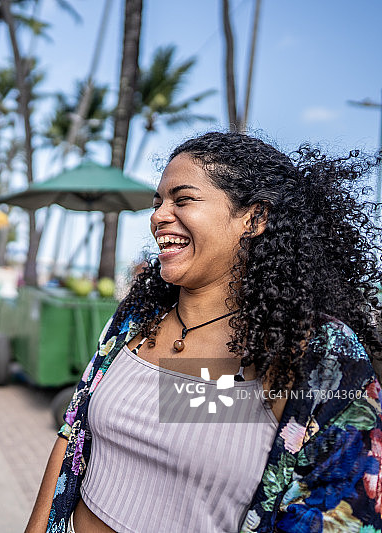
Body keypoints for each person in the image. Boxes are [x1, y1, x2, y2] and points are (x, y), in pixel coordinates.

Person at [26, 131, 382, 533]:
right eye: (158, 202)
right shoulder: (138, 319)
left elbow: (345, 514)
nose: (158, 215)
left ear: (254, 218)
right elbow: (75, 432)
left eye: (183, 199)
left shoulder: (314, 354)